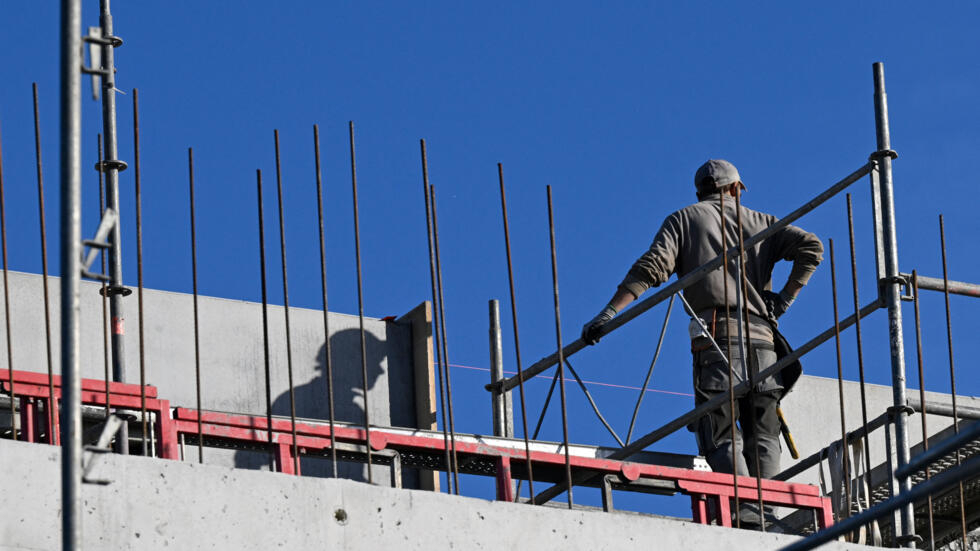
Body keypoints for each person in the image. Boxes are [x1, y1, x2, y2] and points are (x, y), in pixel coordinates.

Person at [580, 159, 823, 527]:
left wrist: (609, 314)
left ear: (702, 191)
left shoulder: (684, 219)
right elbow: (812, 247)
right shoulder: (762, 223)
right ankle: (769, 512)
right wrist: (784, 299)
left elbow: (651, 268)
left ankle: (745, 512)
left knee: (719, 431)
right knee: (763, 430)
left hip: (717, 339)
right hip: (763, 342)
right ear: (736, 188)